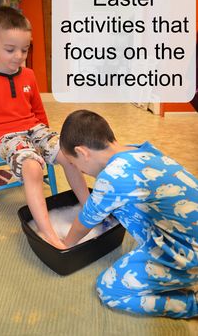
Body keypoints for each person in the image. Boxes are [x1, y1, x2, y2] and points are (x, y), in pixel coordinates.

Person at [0, 7, 89, 249]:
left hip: (34, 129)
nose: (19, 56)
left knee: (70, 155)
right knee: (32, 169)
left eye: (25, 49)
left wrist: (49, 144)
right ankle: (48, 232)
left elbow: (39, 112)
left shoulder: (29, 75)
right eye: (10, 50)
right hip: (3, 135)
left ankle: (91, 209)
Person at [59, 109, 198, 318]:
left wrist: (65, 245)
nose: (79, 170)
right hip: (185, 234)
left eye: (74, 163)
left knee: (109, 291)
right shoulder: (141, 150)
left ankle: (191, 304)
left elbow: (84, 222)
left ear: (84, 152)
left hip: (186, 252)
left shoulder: (112, 177)